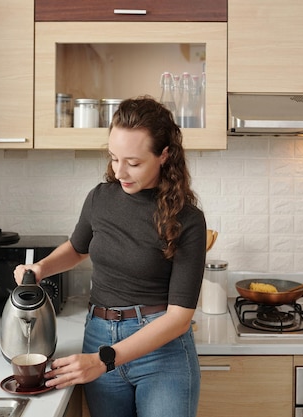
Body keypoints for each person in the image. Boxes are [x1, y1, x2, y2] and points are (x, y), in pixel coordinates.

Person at [13, 96, 206, 417]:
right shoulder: (100, 198)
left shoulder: (187, 219)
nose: (119, 171)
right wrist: (42, 267)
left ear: (164, 155)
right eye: (114, 158)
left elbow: (179, 318)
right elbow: (77, 248)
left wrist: (103, 360)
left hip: (160, 350)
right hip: (98, 335)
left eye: (133, 162)